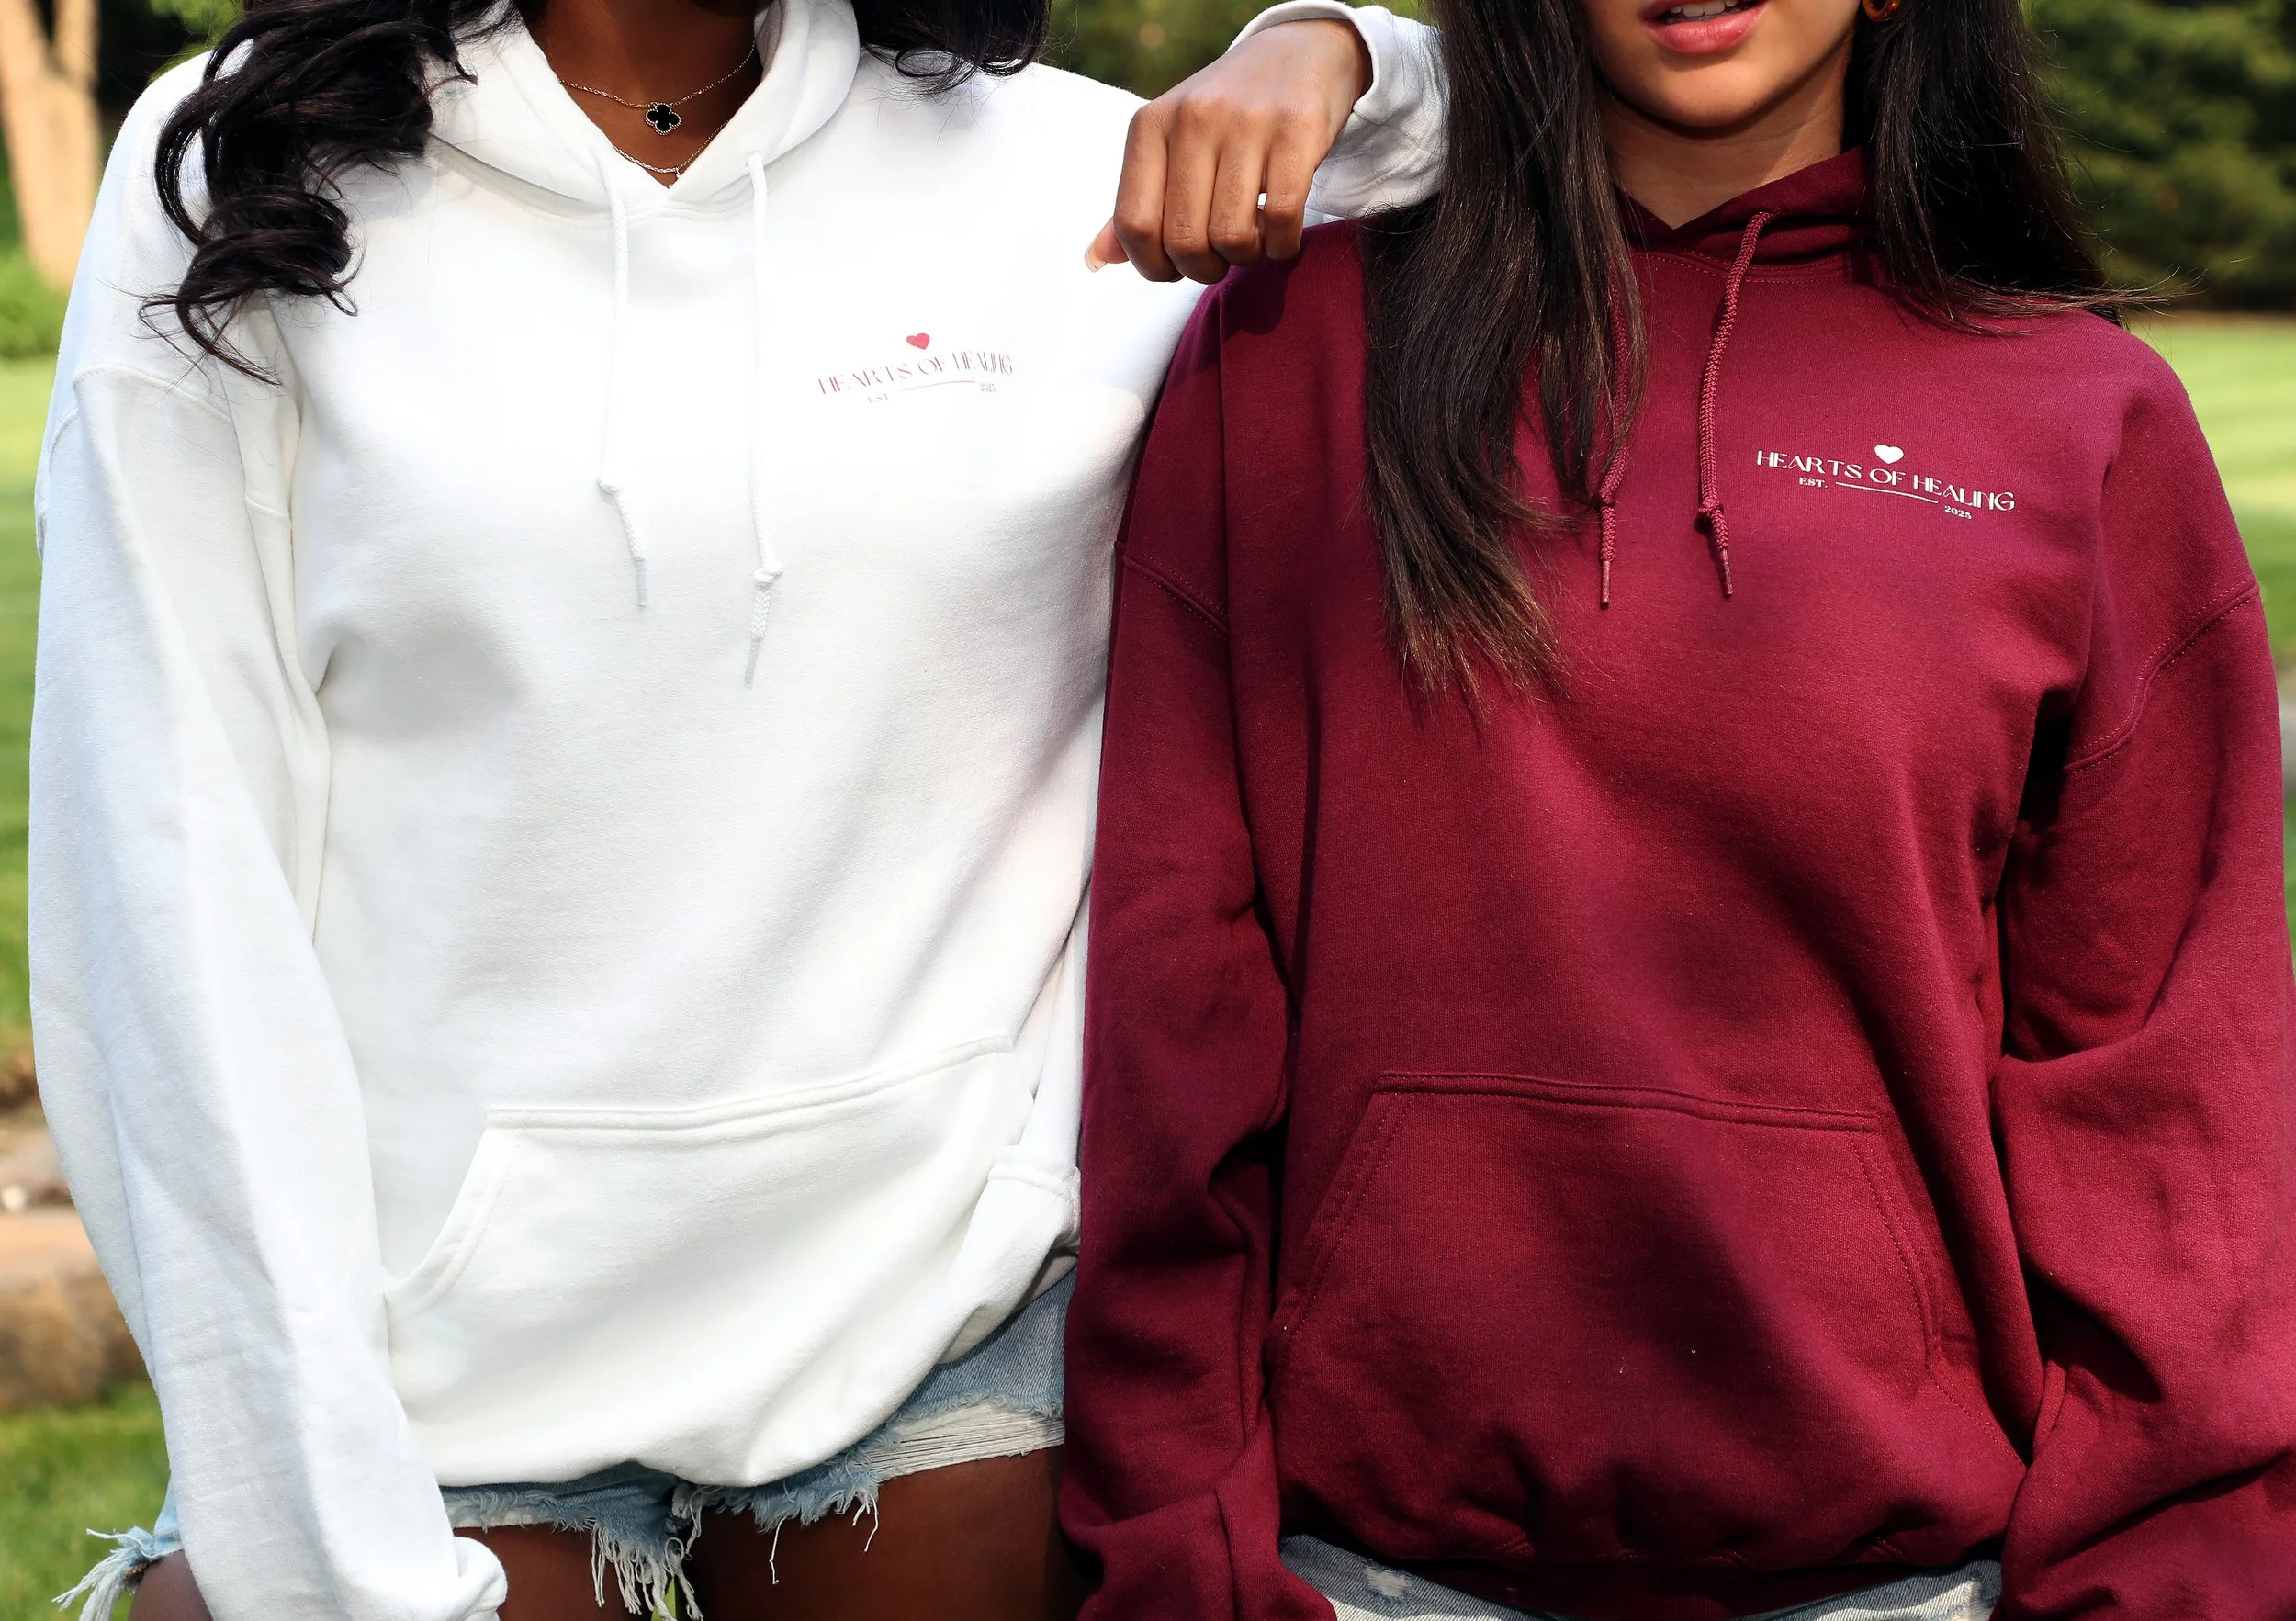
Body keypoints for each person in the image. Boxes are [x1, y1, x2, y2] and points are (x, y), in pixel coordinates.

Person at [28, 0, 1452, 1614]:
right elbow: (167, 880)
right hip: (431, 1358)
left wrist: (1336, 48)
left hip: (943, 1314)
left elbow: (1568, 118)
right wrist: (302, 1529)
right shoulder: (244, 171)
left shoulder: (1067, 172)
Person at [1062, 0, 2296, 1611]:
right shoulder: (1296, 355)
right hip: (1359, 1569)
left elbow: (2165, 1107)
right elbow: (1176, 1014)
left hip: (1911, 1576)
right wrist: (1176, 1557)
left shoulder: (2081, 418)